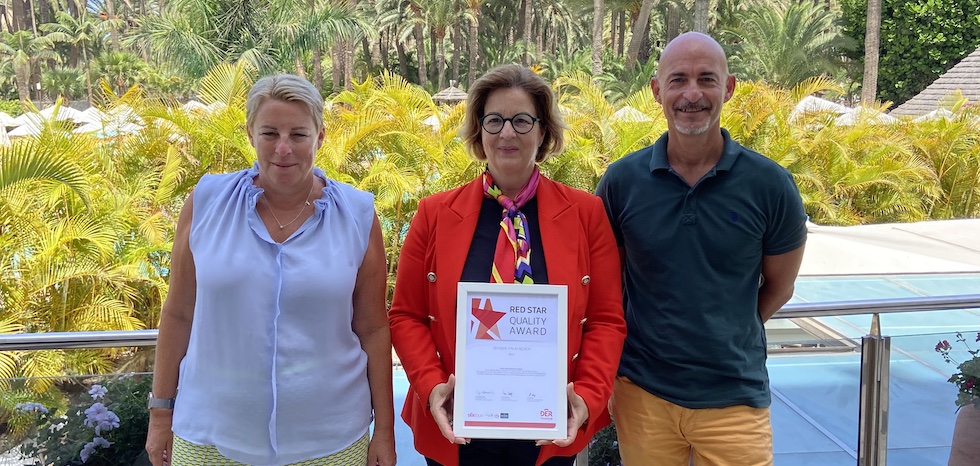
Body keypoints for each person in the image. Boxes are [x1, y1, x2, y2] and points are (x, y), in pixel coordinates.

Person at [145, 74, 396, 466]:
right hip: (210, 436)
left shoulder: (358, 215)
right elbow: (178, 313)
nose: (283, 148)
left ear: (320, 136)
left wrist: (384, 431)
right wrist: (160, 414)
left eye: (298, 134)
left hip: (329, 441)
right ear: (250, 134)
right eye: (269, 133)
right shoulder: (207, 202)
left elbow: (374, 328)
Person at [388, 64, 627, 466]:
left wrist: (586, 396)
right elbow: (406, 315)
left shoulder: (586, 214)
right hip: (455, 424)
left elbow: (606, 320)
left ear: (544, 131)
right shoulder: (434, 214)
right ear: (479, 132)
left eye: (521, 120)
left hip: (549, 426)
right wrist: (432, 388)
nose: (507, 133)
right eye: (494, 121)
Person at [595, 32, 807, 466]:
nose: (692, 94)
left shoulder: (770, 186)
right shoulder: (621, 183)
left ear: (728, 88)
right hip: (643, 393)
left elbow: (780, 287)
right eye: (678, 80)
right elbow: (606, 284)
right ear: (658, 91)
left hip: (735, 395)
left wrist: (725, 331)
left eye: (706, 79)